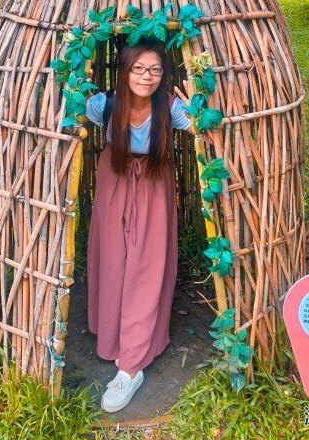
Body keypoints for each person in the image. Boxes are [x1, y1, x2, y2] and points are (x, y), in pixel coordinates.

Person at [84, 36, 202, 413]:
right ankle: (114, 337)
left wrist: (197, 102)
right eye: (139, 68)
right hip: (114, 181)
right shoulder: (104, 105)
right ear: (125, 70)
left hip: (153, 185)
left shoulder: (170, 108)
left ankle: (131, 365)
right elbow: (66, 108)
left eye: (155, 69)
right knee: (114, 259)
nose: (147, 76)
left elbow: (203, 129)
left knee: (146, 266)